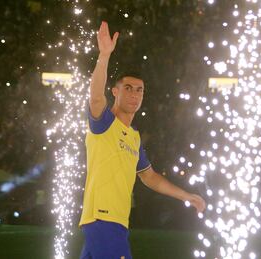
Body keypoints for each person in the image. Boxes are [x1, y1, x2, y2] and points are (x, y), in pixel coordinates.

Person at [79, 21, 206, 259]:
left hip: (114, 221)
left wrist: (186, 196)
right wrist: (104, 55)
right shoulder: (104, 123)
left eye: (139, 90)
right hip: (103, 217)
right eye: (128, 88)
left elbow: (149, 177)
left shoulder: (134, 138)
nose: (134, 94)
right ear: (115, 92)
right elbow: (96, 97)